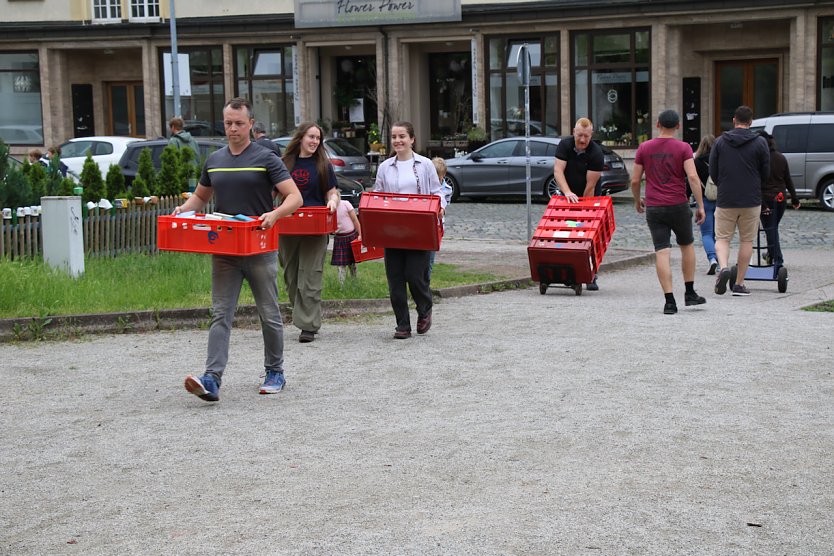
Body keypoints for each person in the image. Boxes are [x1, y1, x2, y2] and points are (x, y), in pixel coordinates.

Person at [173, 97, 303, 402]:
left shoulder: (266, 157)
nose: (233, 129)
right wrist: (184, 210)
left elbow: (294, 197)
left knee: (268, 313)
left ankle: (275, 372)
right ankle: (212, 379)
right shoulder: (215, 160)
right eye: (228, 123)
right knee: (221, 313)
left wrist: (274, 214)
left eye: (239, 123)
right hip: (225, 248)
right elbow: (200, 198)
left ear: (251, 124)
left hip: (259, 247)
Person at [373, 121, 447, 339]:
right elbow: (379, 194)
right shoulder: (385, 167)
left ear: (412, 139)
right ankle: (402, 325)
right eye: (394, 137)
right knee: (395, 279)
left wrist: (439, 207)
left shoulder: (424, 165)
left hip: (418, 228)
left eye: (402, 136)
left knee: (415, 276)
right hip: (392, 229)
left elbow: (437, 191)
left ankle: (424, 308)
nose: (398, 140)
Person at [630, 109, 707, 315]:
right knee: (686, 245)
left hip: (655, 207)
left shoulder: (644, 148)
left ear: (657, 124)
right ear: (678, 126)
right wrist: (700, 205)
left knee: (662, 251)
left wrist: (638, 200)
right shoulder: (683, 148)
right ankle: (690, 293)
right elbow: (692, 177)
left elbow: (636, 179)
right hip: (678, 205)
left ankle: (669, 301)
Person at [280, 122, 340, 343]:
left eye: (318, 138)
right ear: (301, 138)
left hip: (316, 226)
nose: (315, 141)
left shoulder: (323, 165)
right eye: (311, 137)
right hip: (288, 225)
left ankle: (308, 325)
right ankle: (302, 314)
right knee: (291, 274)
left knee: (310, 273)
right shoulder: (285, 163)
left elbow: (332, 193)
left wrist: (333, 202)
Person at [709, 105, 770, 297]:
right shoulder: (760, 143)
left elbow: (713, 171)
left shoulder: (720, 142)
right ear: (751, 122)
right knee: (747, 240)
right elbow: (766, 172)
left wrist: (723, 184)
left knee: (722, 238)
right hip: (751, 198)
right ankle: (739, 284)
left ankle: (724, 267)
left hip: (726, 197)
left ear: (734, 120)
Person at [553, 117, 604, 291]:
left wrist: (582, 211)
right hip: (568, 193)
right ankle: (566, 269)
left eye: (586, 137)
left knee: (589, 235)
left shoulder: (596, 153)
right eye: (579, 135)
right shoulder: (565, 145)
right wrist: (567, 192)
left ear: (591, 135)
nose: (582, 140)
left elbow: (590, 186)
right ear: (574, 132)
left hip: (588, 195)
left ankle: (591, 274)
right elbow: (558, 171)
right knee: (565, 232)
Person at [759, 131, 800, 268]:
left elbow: (756, 182)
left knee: (770, 229)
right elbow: (788, 179)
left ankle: (778, 259)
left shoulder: (759, 160)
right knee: (772, 227)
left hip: (765, 198)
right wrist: (795, 199)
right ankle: (771, 254)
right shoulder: (781, 157)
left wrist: (762, 203)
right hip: (780, 199)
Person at [693, 134, 718, 274]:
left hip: (704, 201)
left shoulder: (696, 162)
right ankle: (721, 262)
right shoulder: (721, 160)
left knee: (707, 233)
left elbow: (691, 181)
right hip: (721, 201)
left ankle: (712, 258)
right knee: (720, 234)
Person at [427, 156, 452, 280]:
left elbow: (445, 203)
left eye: (439, 177)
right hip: (425, 225)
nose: (436, 180)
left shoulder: (447, 189)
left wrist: (442, 209)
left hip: (437, 225)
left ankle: (426, 281)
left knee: (430, 256)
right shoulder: (425, 185)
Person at [331, 198, 361, 284]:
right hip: (339, 238)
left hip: (351, 236)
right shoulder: (328, 207)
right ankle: (341, 285)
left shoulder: (345, 204)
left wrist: (360, 234)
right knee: (341, 264)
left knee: (353, 263)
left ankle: (354, 282)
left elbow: (355, 220)